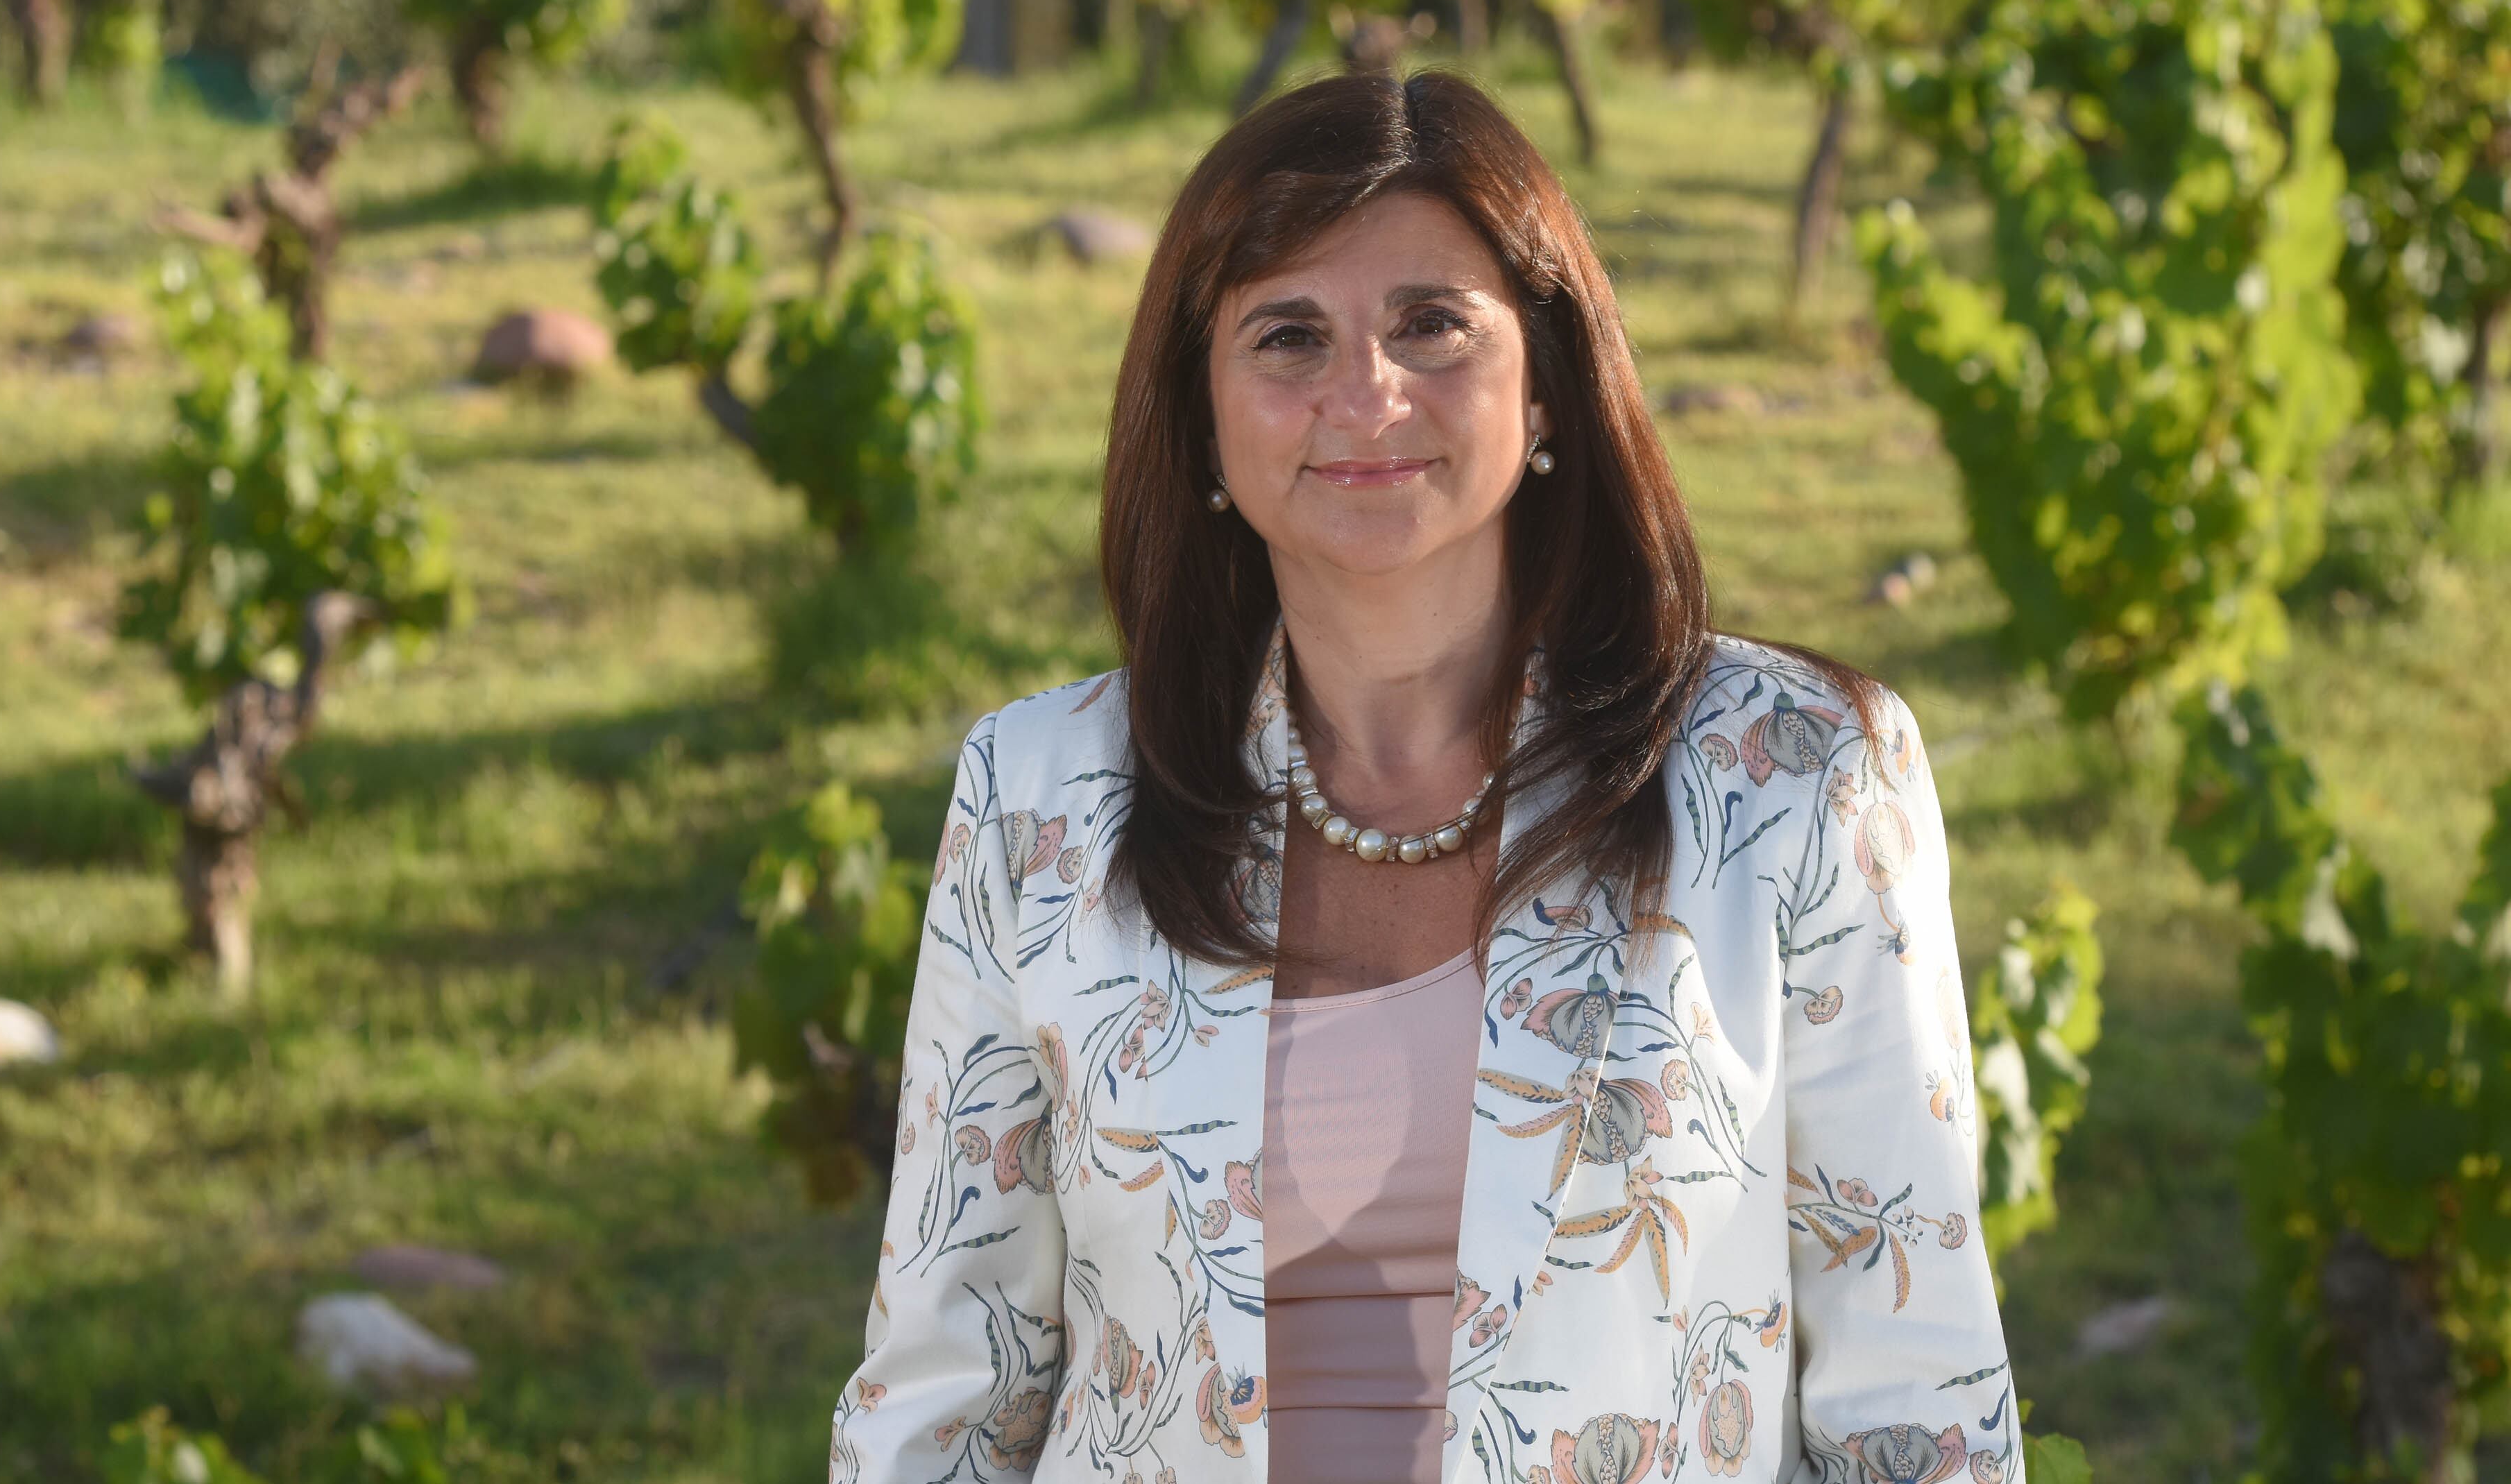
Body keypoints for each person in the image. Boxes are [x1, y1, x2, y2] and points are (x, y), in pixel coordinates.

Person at [829, 71, 2020, 1484]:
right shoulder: (1038, 797)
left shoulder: (1798, 778)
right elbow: (942, 1403)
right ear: (1202, 415)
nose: (1364, 391)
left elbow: (1919, 1412)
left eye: (1430, 323)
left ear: (1546, 387)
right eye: (1287, 335)